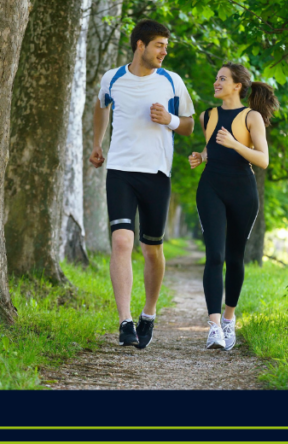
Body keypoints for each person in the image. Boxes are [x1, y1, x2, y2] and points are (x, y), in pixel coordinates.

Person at [88, 19, 195, 349]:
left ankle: (148, 314)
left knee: (152, 249)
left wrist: (170, 120)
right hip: (120, 171)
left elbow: (190, 125)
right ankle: (125, 321)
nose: (165, 51)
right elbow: (100, 105)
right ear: (140, 45)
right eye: (159, 44)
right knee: (121, 242)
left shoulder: (172, 82)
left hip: (157, 174)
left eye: (166, 45)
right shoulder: (113, 78)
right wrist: (97, 143)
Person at [188, 63, 278, 350]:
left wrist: (234, 144)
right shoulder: (207, 116)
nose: (216, 82)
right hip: (211, 187)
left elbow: (262, 160)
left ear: (237, 85)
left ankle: (229, 319)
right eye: (216, 78)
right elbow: (213, 146)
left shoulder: (252, 117)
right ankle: (214, 327)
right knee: (214, 255)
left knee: (234, 257)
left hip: (242, 191)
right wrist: (202, 157)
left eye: (222, 78)